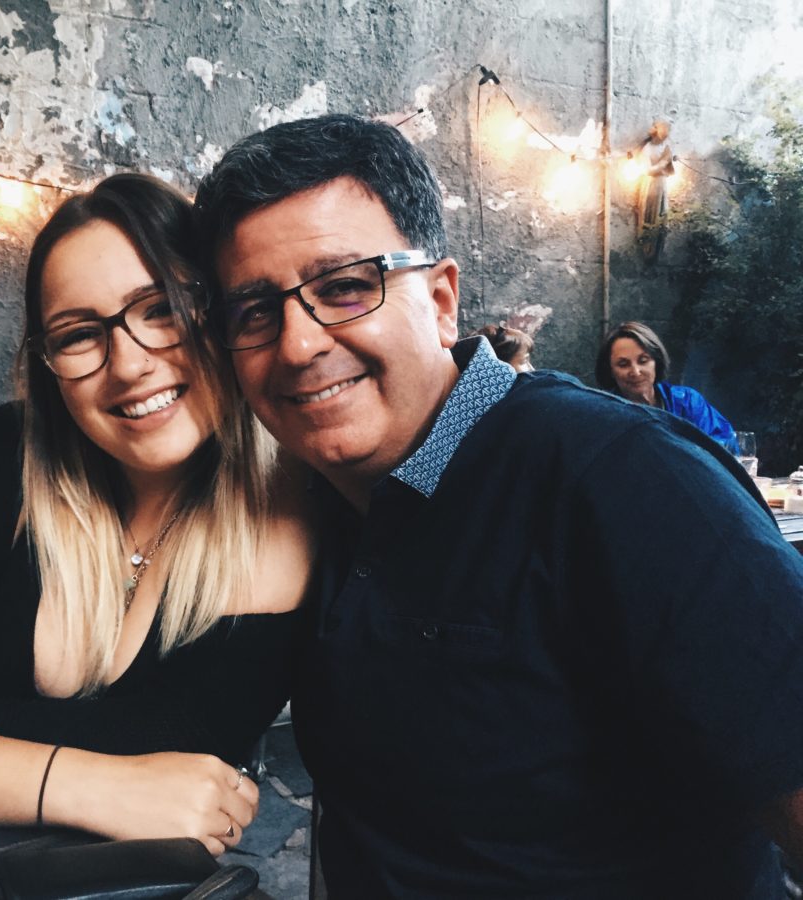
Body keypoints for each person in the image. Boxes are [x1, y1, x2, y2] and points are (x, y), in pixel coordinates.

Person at [193, 113, 803, 897]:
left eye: (346, 287)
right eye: (253, 313)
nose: (298, 343)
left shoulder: (625, 480)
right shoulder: (313, 510)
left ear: (442, 299)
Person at [0, 173, 313, 856]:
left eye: (161, 308)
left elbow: (179, 744)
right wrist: (92, 784)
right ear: (50, 368)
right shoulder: (4, 457)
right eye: (80, 334)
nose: (130, 364)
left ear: (219, 310)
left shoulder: (305, 506)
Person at [595, 320, 739, 453]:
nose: (636, 372)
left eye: (643, 361)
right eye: (623, 364)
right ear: (610, 371)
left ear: (656, 362)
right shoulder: (604, 416)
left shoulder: (687, 402)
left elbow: (726, 448)